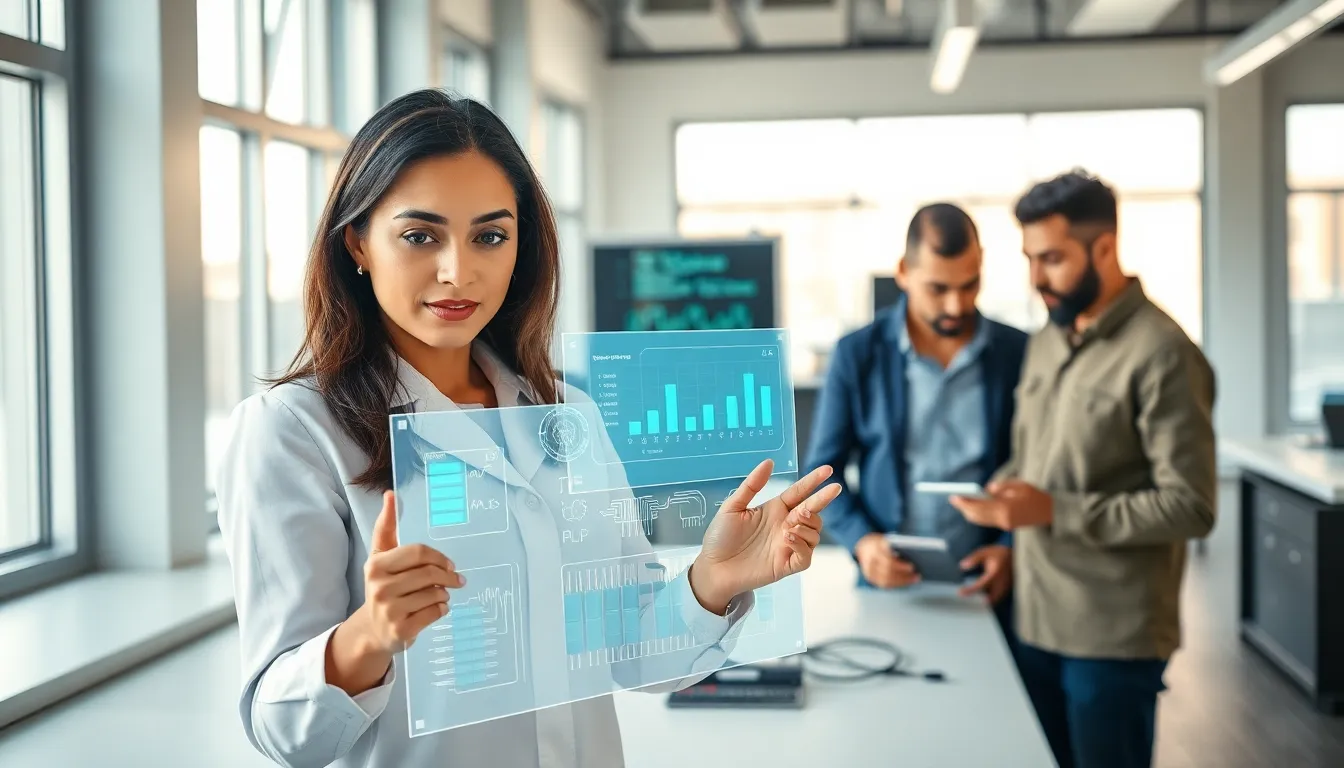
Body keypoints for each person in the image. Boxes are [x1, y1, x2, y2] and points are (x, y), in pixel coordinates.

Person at [215, 89, 840, 768]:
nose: (458, 271)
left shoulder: (567, 412)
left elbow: (632, 657)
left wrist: (711, 582)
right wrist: (367, 637)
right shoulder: (292, 432)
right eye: (420, 236)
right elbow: (285, 733)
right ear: (357, 243)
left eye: (490, 236)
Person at [950, 170, 1216, 768]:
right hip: (1034, 617)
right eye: (1029, 259)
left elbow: (1192, 506)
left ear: (1104, 248)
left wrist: (1051, 510)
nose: (1036, 279)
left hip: (1111, 639)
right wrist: (1006, 505)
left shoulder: (1164, 354)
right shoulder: (1048, 339)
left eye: (1051, 259)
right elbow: (1039, 456)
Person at [805, 203, 1028, 620]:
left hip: (987, 584)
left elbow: (1037, 470)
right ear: (904, 272)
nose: (956, 305)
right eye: (938, 289)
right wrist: (862, 542)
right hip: (887, 582)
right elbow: (822, 471)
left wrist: (1010, 547)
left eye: (969, 285)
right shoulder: (857, 354)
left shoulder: (1019, 352)